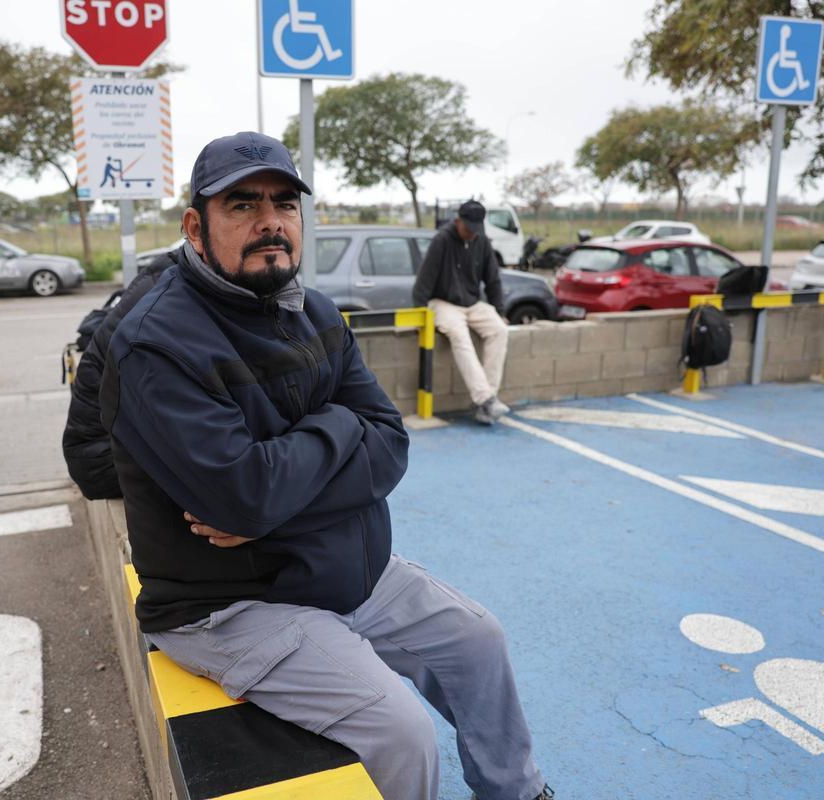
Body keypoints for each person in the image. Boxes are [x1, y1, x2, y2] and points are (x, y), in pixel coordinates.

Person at [99, 131, 551, 800]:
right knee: (401, 734)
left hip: (340, 567)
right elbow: (242, 497)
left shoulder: (312, 312)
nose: (269, 222)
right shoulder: (156, 342)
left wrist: (293, 474)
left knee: (478, 642)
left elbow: (390, 445)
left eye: (284, 204)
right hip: (227, 602)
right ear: (196, 226)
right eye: (242, 206)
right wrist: (341, 429)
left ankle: (516, 792)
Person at [61, 252, 174, 499]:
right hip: (103, 463)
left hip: (98, 454)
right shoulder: (173, 292)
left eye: (282, 210)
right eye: (241, 210)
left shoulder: (168, 273)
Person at [413, 200, 511, 425]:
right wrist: (419, 314)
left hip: (472, 303)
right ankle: (485, 399)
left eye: (476, 230)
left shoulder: (482, 242)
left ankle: (488, 402)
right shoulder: (442, 240)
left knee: (499, 330)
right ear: (458, 221)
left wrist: (500, 310)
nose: (471, 234)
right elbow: (423, 281)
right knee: (459, 334)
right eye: (468, 229)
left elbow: (493, 280)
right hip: (442, 302)